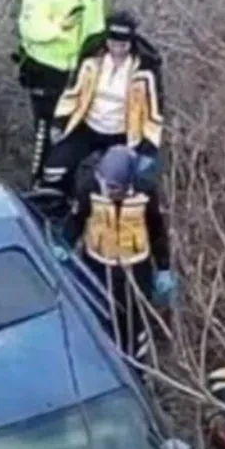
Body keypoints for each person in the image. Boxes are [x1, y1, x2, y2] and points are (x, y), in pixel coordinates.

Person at [60, 145, 176, 359]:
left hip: (135, 267)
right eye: (108, 186)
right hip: (98, 265)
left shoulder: (145, 192)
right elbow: (76, 220)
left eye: (115, 188)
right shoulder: (89, 188)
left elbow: (156, 231)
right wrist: (62, 245)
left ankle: (136, 366)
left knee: (134, 321)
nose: (110, 192)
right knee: (101, 317)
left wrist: (163, 267)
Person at [40, 11, 164, 196]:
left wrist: (149, 142)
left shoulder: (144, 71)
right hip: (88, 127)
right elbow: (73, 93)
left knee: (115, 180)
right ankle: (59, 207)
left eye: (123, 45)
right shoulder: (91, 62)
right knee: (54, 170)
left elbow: (154, 110)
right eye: (113, 44)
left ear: (130, 44)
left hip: (122, 134)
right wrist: (61, 120)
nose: (117, 49)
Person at [15, 0, 107, 183]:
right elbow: (30, 30)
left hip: (82, 66)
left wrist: (98, 49)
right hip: (47, 70)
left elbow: (96, 20)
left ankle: (69, 177)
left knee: (79, 123)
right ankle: (38, 180)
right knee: (46, 128)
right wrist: (59, 28)